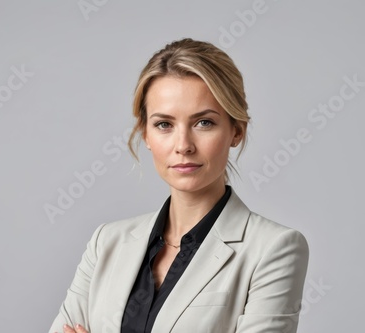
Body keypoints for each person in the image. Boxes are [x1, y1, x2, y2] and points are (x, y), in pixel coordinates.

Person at [49, 38, 309, 333]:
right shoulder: (106, 242)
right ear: (145, 134)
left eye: (204, 123)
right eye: (164, 124)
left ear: (236, 130)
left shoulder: (274, 249)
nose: (183, 145)